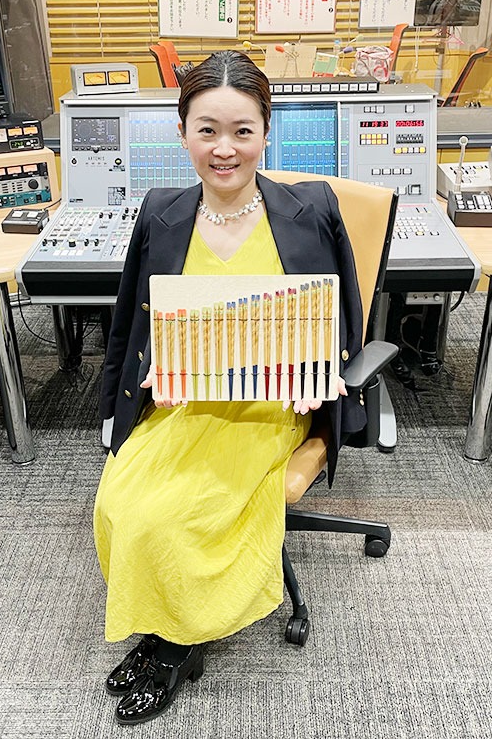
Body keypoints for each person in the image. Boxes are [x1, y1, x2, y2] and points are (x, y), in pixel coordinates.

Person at [94, 50, 366, 726]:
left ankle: (175, 645)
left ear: (266, 132)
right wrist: (137, 383)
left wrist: (324, 378)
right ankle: (168, 625)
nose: (225, 149)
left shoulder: (310, 208)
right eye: (207, 130)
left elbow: (343, 317)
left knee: (172, 515)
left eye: (242, 131)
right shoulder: (161, 212)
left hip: (270, 408)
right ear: (182, 133)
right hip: (182, 401)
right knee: (119, 503)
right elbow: (132, 322)